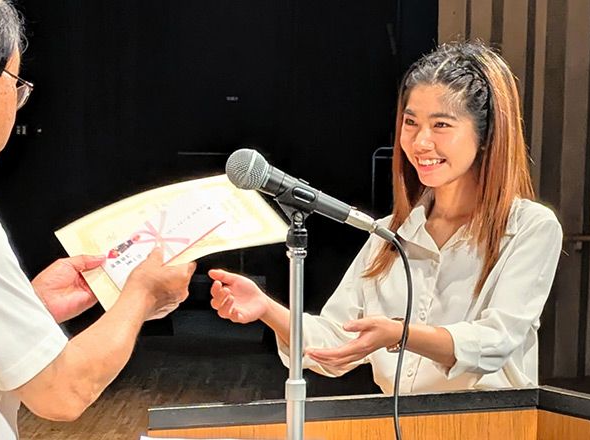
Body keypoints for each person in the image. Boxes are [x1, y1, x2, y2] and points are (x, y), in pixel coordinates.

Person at [209, 41, 563, 394]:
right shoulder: (388, 234)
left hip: (493, 419)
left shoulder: (530, 227)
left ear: (485, 135)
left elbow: (496, 342)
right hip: (396, 420)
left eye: (441, 124)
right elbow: (337, 342)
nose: (420, 142)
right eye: (411, 123)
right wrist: (267, 309)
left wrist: (399, 334)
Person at [0, 1, 195, 438]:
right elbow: (62, 392)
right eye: (16, 85)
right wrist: (142, 294)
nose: (17, 106)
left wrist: (29, 305)